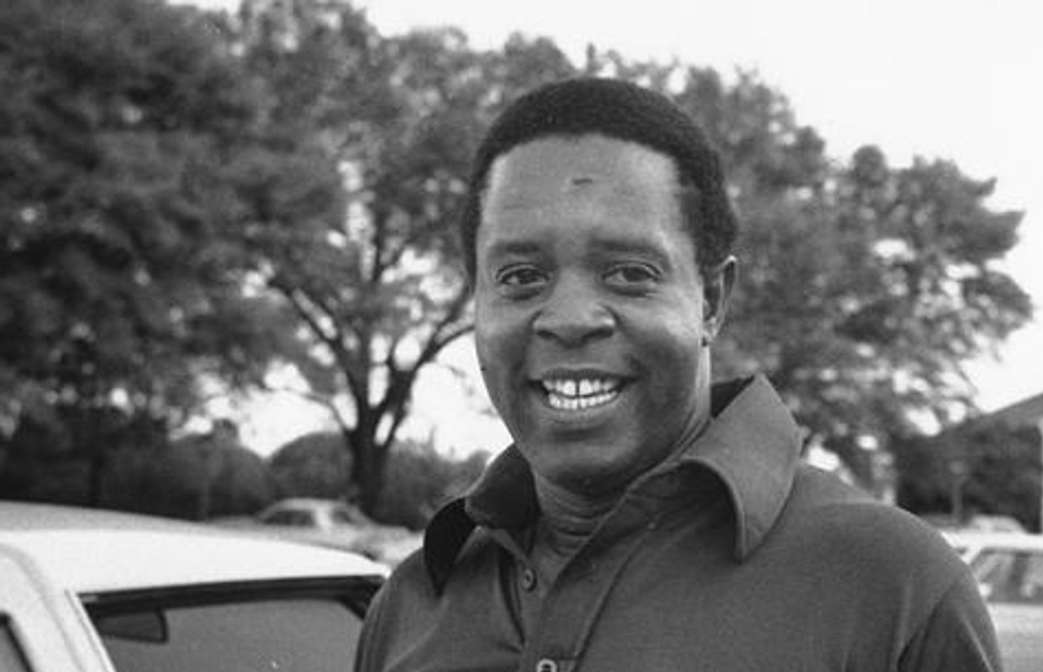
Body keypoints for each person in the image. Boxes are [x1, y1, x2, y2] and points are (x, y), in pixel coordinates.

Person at [355, 77, 1001, 672]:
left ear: (711, 301)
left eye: (629, 273)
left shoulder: (890, 588)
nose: (571, 319)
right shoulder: (412, 605)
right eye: (521, 277)